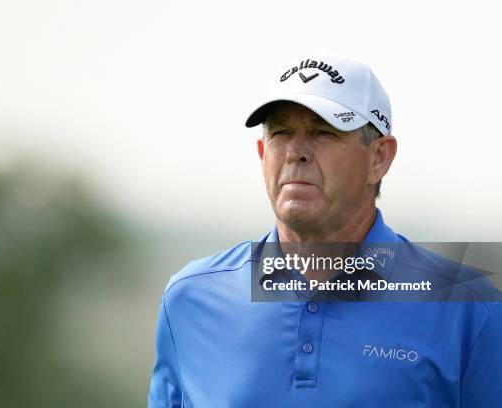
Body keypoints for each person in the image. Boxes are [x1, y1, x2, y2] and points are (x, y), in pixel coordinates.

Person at [148, 52, 502, 407]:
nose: (295, 152)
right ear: (261, 152)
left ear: (379, 158)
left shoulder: (468, 309)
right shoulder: (190, 299)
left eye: (323, 132)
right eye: (281, 133)